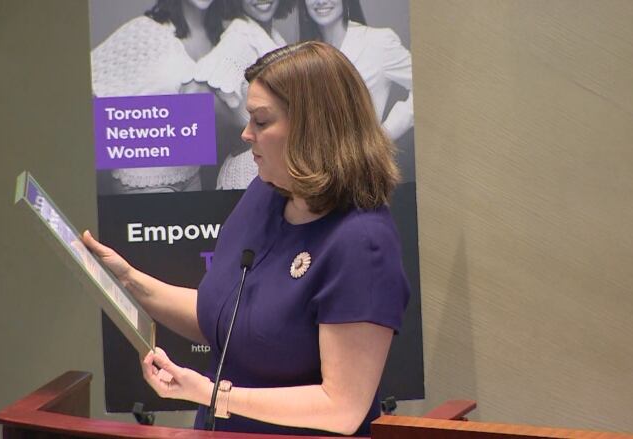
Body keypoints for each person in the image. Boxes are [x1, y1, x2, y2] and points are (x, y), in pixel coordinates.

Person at [83, 41, 410, 435]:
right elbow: (224, 317)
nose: (245, 134)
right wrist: (129, 282)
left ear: (314, 127)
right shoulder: (266, 193)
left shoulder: (362, 243)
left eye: (261, 121)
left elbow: (341, 407)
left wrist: (211, 393)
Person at [90, 0, 228, 194]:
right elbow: (86, 83)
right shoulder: (146, 31)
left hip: (192, 176)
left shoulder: (225, 39)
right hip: (143, 181)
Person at [191, 0, 296, 190]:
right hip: (248, 175)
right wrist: (243, 129)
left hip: (265, 171)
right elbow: (195, 94)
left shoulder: (270, 36)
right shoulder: (239, 37)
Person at [299, 0, 413, 142]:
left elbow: (426, 85)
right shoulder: (302, 52)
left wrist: (383, 137)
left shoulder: (377, 42)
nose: (321, 1)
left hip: (362, 161)